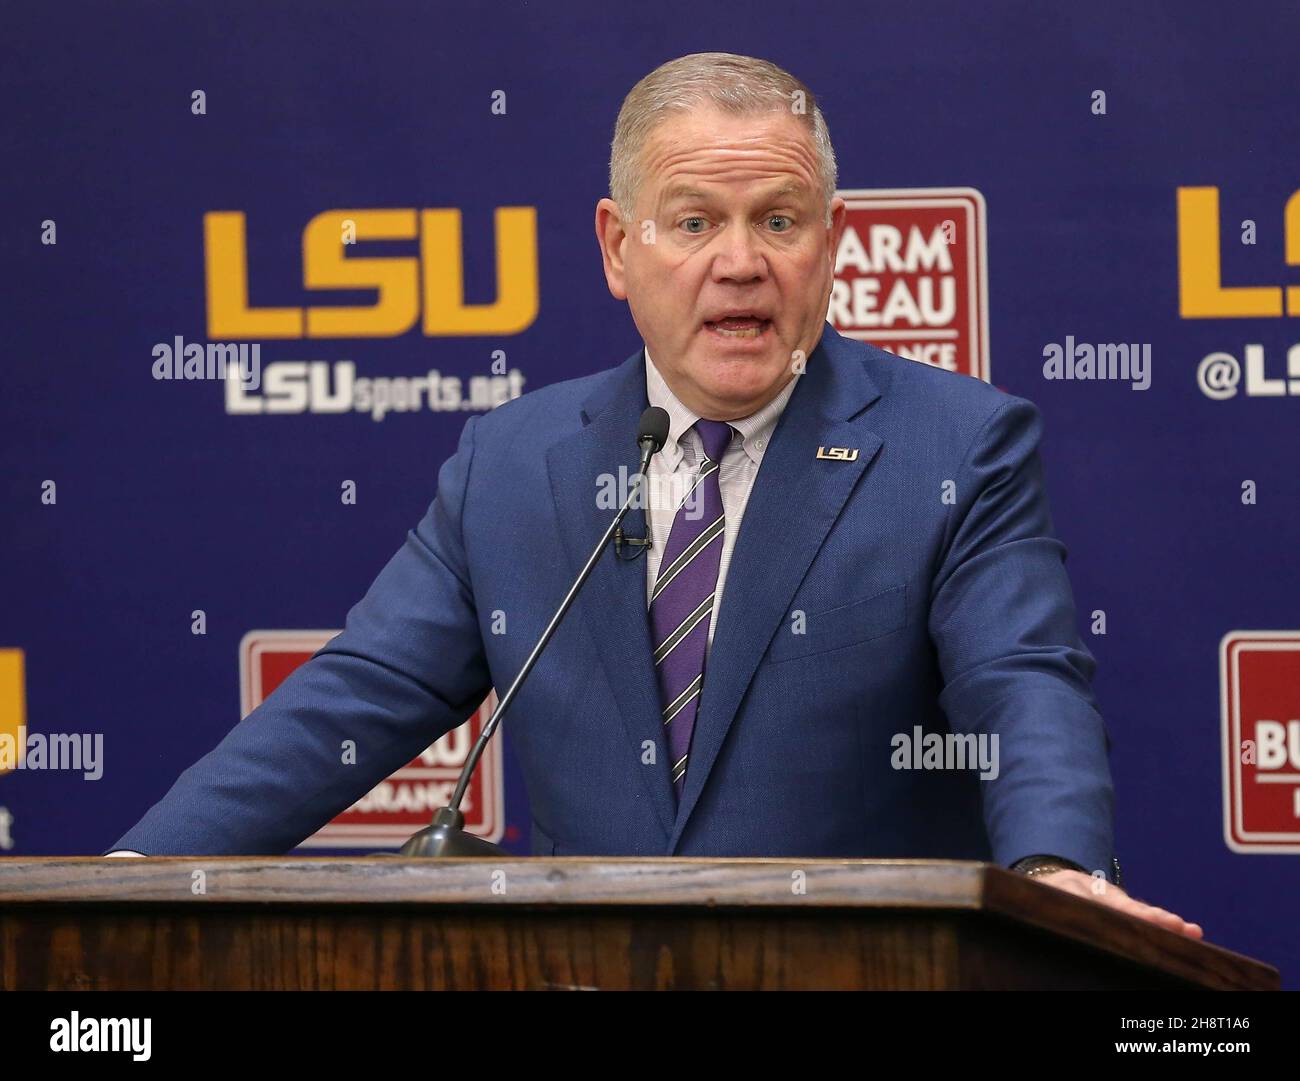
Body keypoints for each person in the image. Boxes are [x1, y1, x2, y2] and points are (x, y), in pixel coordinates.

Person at [108, 52, 1200, 939]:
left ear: (831, 247)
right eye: (692, 222)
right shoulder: (513, 461)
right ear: (616, 248)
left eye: (779, 221)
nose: (740, 262)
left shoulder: (957, 445)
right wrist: (131, 877)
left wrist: (1054, 868)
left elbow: (1022, 686)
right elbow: (350, 700)